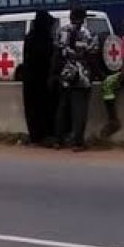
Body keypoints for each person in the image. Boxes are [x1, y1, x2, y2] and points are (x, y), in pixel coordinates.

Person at [53, 8, 97, 152]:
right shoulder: (87, 34)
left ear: (71, 16)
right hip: (81, 75)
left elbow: (56, 54)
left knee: (62, 108)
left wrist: (55, 73)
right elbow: (92, 57)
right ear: (83, 18)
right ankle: (78, 143)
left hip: (65, 74)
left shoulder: (61, 31)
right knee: (80, 110)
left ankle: (58, 140)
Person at [20, 11, 58, 146]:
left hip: (31, 81)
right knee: (43, 108)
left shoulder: (30, 37)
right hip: (41, 80)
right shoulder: (43, 39)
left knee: (33, 109)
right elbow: (45, 60)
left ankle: (36, 136)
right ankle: (44, 135)